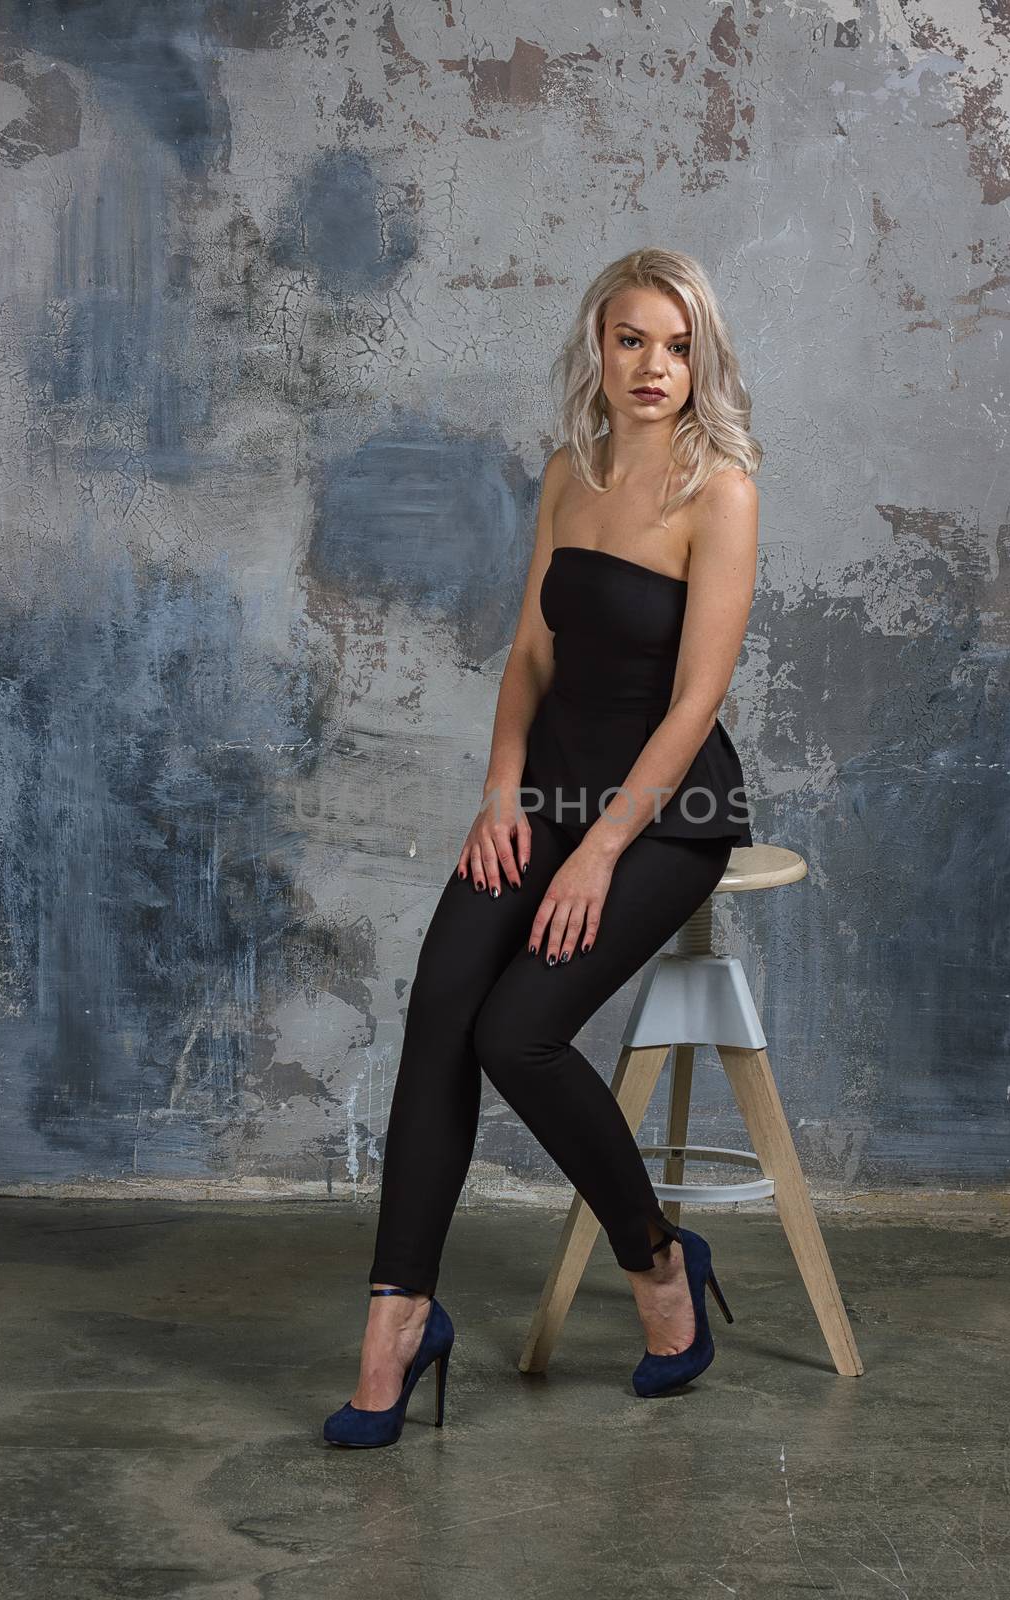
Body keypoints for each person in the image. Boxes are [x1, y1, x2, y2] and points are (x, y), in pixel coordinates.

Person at [324, 246, 761, 1446]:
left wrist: (600, 848)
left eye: (676, 345)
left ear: (700, 356)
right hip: (546, 798)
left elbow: (691, 702)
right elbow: (528, 654)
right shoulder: (569, 473)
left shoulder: (719, 490)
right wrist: (502, 793)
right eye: (631, 340)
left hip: (662, 816)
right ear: (598, 349)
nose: (653, 366)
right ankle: (400, 1317)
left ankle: (659, 1260)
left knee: (516, 1029)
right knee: (440, 1010)